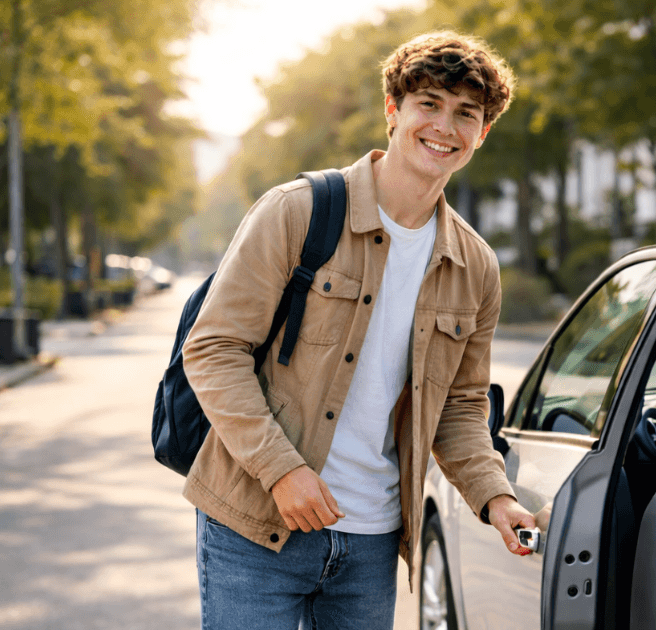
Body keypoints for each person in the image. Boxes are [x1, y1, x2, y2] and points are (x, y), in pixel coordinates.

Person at [181, 31, 535, 629]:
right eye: (429, 104)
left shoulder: (474, 267)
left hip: (372, 542)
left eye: (465, 114)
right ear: (393, 110)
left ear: (482, 133)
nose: (445, 127)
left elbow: (460, 404)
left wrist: (494, 496)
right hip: (256, 524)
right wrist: (282, 470)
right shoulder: (297, 210)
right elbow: (215, 350)